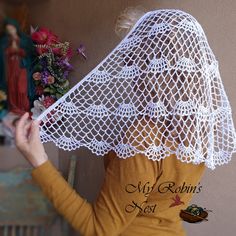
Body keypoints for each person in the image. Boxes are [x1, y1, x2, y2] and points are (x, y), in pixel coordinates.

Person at [15, 9, 236, 236]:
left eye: (131, 61)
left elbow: (98, 229)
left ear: (149, 71)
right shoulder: (200, 127)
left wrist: (39, 161)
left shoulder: (144, 138)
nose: (129, 73)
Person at [0, 18, 35, 116]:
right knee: (11, 86)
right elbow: (2, 54)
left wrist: (19, 50)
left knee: (22, 87)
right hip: (10, 67)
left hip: (22, 66)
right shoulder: (4, 41)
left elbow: (31, 52)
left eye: (12, 28)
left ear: (16, 28)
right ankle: (14, 107)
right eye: (8, 29)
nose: (10, 31)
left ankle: (24, 107)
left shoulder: (24, 40)